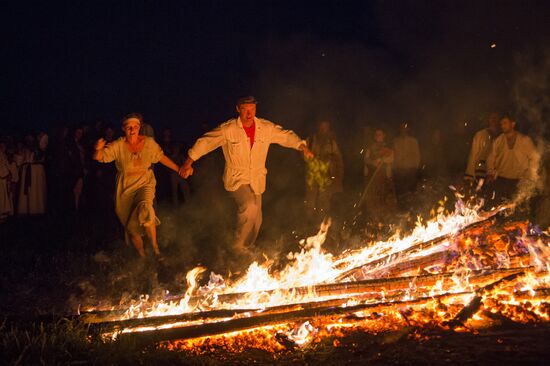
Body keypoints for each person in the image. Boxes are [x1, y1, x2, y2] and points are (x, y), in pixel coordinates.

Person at [180, 96, 313, 262]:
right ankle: (237, 247)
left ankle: (246, 252)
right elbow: (206, 142)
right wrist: (188, 161)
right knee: (249, 206)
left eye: (252, 109)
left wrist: (302, 146)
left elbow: (284, 136)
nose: (249, 113)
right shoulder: (228, 129)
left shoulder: (265, 127)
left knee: (257, 220)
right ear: (238, 109)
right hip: (237, 179)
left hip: (257, 179)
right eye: (245, 109)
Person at [94, 113, 184, 258]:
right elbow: (99, 157)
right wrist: (98, 149)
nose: (132, 130)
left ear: (139, 127)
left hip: (144, 182)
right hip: (125, 188)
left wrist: (178, 169)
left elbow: (161, 157)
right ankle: (143, 257)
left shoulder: (148, 143)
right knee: (132, 228)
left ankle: (155, 250)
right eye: (129, 127)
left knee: (145, 208)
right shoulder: (118, 145)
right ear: (124, 129)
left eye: (135, 126)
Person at [486, 116, 539, 203]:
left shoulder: (524, 140)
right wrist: (490, 173)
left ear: (513, 124)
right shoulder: (498, 141)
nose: (502, 126)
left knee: (516, 208)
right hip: (501, 180)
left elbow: (535, 158)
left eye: (505, 123)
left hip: (519, 181)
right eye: (501, 124)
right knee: (499, 208)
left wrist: (530, 176)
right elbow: (490, 158)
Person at [304, 120, 344, 221]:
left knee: (324, 200)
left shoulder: (331, 142)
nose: (323, 129)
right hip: (312, 176)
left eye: (325, 127)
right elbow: (302, 152)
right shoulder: (311, 140)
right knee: (310, 200)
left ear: (328, 128)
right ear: (318, 127)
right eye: (321, 127)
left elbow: (338, 159)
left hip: (326, 176)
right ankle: (309, 222)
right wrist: (311, 158)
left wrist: (338, 177)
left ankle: (322, 223)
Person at [362, 128, 396, 221]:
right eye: (376, 134)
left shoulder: (388, 147)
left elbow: (391, 159)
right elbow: (366, 159)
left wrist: (382, 159)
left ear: (384, 135)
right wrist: (373, 162)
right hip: (372, 178)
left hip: (385, 177)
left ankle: (386, 219)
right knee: (373, 199)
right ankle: (374, 219)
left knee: (386, 198)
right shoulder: (370, 147)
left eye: (380, 134)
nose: (378, 136)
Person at [17, 133, 48, 215]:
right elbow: (19, 160)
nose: (29, 141)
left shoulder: (39, 149)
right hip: (28, 171)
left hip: (36, 172)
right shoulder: (24, 149)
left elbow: (41, 158)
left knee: (36, 191)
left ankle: (37, 208)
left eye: (31, 139)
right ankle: (26, 209)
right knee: (28, 192)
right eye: (27, 140)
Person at [465, 112, 500, 182]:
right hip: (480, 173)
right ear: (488, 119)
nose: (493, 120)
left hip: (496, 175)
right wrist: (469, 176)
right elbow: (473, 155)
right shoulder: (480, 135)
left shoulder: (502, 137)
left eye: (496, 117)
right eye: (491, 118)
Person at [393, 122, 421, 208]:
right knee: (401, 192)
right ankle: (401, 208)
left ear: (408, 130)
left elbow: (417, 155)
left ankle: (412, 209)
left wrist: (416, 168)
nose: (403, 130)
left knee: (411, 191)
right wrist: (394, 168)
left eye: (405, 128)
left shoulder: (413, 141)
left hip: (410, 170)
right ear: (399, 130)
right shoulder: (396, 141)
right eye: (402, 128)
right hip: (399, 170)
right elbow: (394, 155)